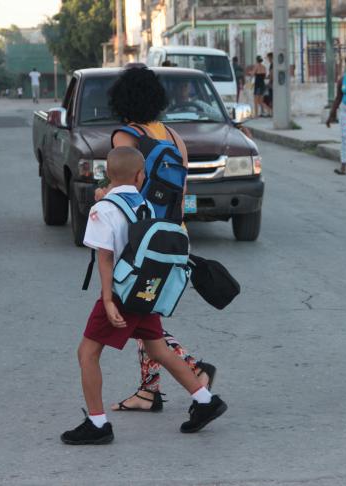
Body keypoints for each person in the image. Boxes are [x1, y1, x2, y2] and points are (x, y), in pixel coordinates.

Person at [60, 146, 226, 445]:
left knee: (87, 353)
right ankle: (205, 400)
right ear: (140, 176)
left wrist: (108, 300)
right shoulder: (146, 205)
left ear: (106, 175)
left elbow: (105, 259)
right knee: (158, 349)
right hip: (145, 290)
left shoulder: (103, 210)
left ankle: (97, 424)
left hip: (122, 295)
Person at [101, 67, 218, 413]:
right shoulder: (172, 135)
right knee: (144, 308)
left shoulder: (126, 137)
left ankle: (194, 370)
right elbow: (181, 190)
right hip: (174, 235)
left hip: (142, 239)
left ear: (121, 99)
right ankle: (148, 391)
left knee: (135, 311)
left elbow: (125, 191)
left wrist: (101, 195)